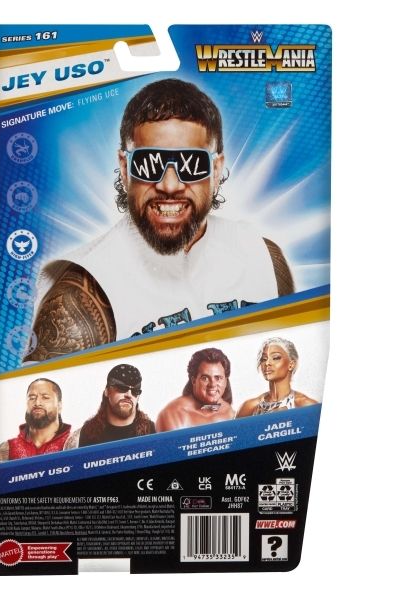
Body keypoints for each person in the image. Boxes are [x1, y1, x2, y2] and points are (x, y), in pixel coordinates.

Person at [24, 78, 294, 362]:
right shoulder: (82, 298)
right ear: (125, 168)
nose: (170, 185)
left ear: (216, 170)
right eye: (150, 163)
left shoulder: (264, 259)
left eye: (191, 164)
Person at [64, 364, 155, 449]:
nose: (129, 395)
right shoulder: (84, 435)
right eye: (122, 388)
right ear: (107, 391)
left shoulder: (153, 431)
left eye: (135, 391)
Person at [0, 378, 71, 462]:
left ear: (59, 405)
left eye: (45, 397)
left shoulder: (73, 443)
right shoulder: (6, 450)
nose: (37, 403)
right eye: (32, 398)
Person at [156, 347, 236, 431]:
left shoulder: (229, 412)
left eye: (218, 378)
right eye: (205, 378)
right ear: (194, 381)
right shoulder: (173, 415)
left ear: (225, 381)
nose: (212, 384)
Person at [236, 337, 318, 417]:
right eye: (263, 359)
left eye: (275, 358)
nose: (267, 363)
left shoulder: (306, 405)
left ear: (291, 364)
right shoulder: (248, 407)